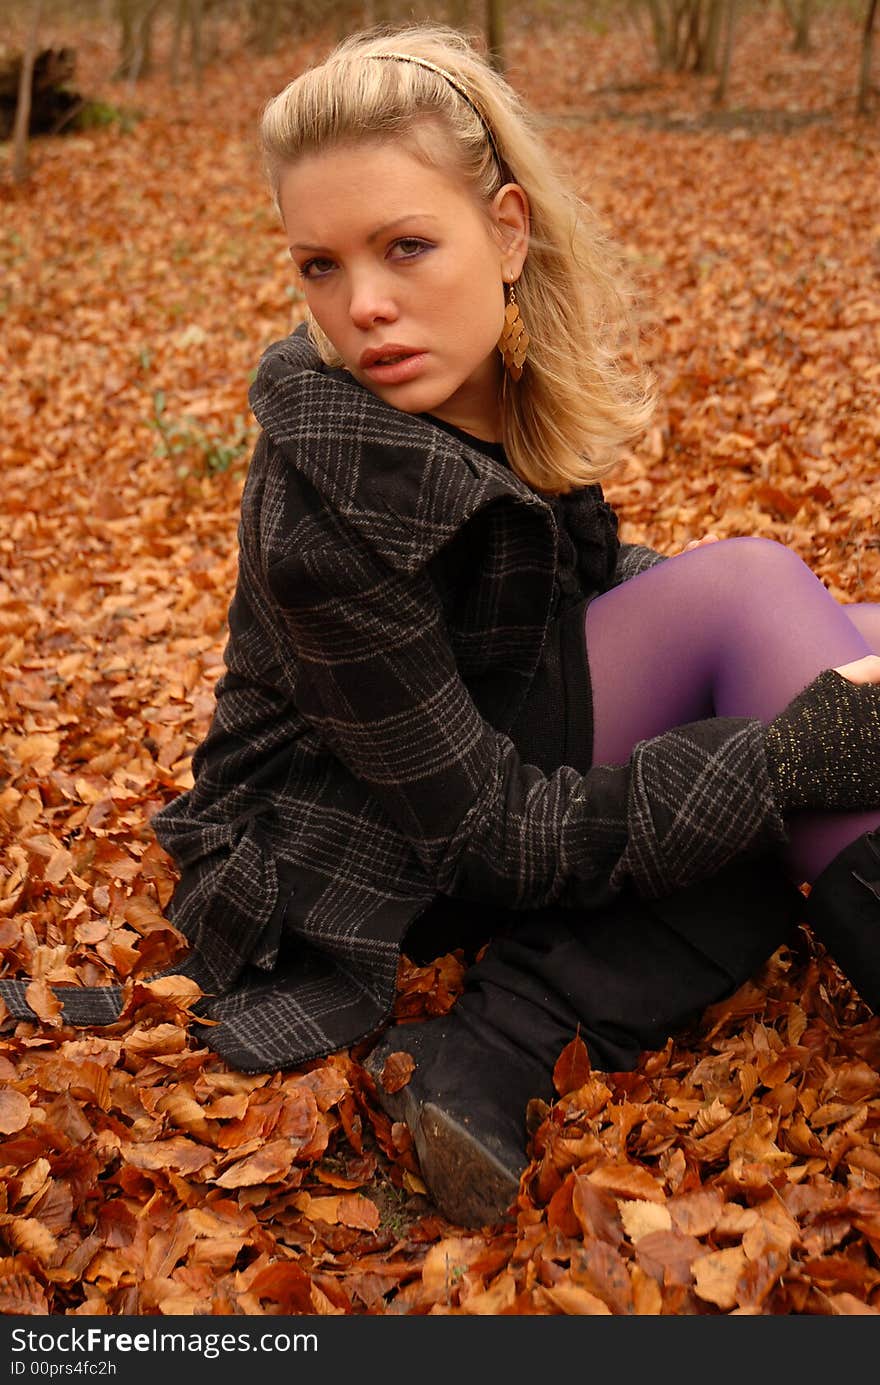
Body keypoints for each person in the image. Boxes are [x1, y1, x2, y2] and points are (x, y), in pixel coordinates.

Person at [3, 23, 879, 1230]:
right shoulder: (329, 485)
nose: (362, 305)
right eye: (318, 264)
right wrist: (781, 746)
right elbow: (488, 838)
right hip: (344, 855)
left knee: (830, 633)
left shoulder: (492, 383)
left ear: (507, 232)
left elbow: (559, 585)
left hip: (465, 755)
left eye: (406, 246)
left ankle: (503, 1035)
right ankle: (519, 1022)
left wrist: (780, 663)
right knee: (761, 658)